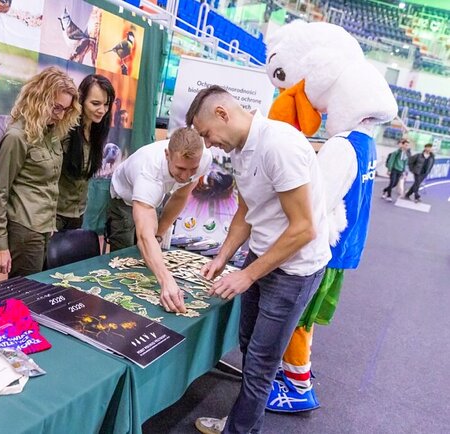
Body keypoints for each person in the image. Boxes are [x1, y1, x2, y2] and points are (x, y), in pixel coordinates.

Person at [186, 86, 331, 434]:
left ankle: (239, 429)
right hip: (262, 256)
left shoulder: (279, 146)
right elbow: (247, 210)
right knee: (251, 349)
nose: (208, 144)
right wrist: (223, 256)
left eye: (206, 134)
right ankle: (243, 421)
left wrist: (247, 275)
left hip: (294, 269)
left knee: (261, 364)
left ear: (222, 114)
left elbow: (304, 229)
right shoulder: (239, 150)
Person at [107, 127, 212, 313]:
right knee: (125, 259)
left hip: (155, 196)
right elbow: (144, 236)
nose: (185, 176)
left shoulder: (203, 158)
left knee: (151, 251)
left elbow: (181, 195)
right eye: (180, 168)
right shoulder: (148, 171)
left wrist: (160, 234)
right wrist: (166, 280)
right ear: (167, 155)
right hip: (124, 199)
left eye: (192, 169)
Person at [0, 67, 80, 277]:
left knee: (39, 287)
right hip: (25, 228)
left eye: (65, 110)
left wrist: (50, 223)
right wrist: (1, 245)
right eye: (56, 108)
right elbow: (0, 192)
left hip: (44, 227)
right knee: (25, 292)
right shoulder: (17, 136)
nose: (60, 115)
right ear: (39, 100)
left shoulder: (51, 133)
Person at [56, 74, 115, 231]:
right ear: (81, 100)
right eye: (95, 103)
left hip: (77, 213)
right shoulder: (65, 130)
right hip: (54, 214)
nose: (102, 110)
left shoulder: (97, 131)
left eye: (106, 104)